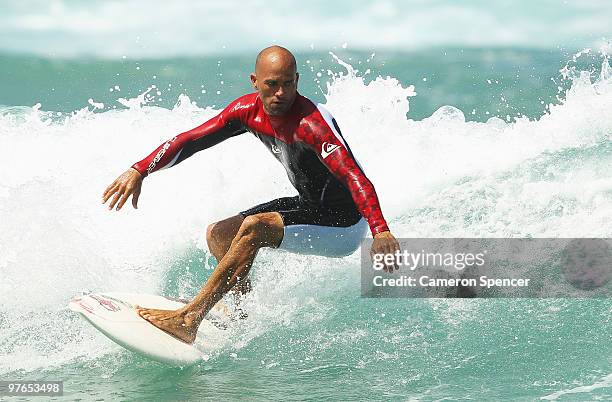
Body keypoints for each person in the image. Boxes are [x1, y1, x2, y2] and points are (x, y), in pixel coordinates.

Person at [102, 45, 400, 344]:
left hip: (344, 223)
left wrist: (381, 230)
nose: (281, 93)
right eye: (272, 84)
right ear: (254, 81)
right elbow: (191, 140)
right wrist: (140, 169)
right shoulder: (247, 112)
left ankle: (189, 318)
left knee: (255, 228)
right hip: (310, 206)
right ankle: (242, 314)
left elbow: (354, 176)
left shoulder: (313, 125)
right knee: (220, 234)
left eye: (288, 84)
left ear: (297, 80)